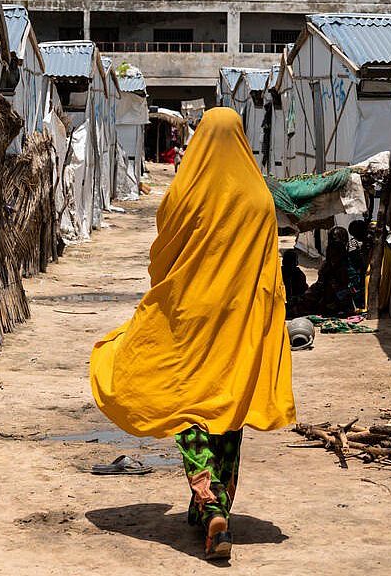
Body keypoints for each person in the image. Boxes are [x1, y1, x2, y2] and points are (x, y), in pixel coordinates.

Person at [90, 107, 296, 562]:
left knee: (188, 404)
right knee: (228, 408)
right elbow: (269, 270)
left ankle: (208, 500)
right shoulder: (258, 196)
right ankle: (214, 507)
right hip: (240, 320)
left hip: (191, 314)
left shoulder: (186, 190)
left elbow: (163, 253)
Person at [297, 226, 360, 317]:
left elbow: (354, 285)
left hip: (347, 296)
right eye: (332, 240)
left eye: (336, 240)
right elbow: (320, 283)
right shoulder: (327, 264)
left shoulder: (351, 260)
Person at [281, 249, 309, 316]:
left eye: (292, 262)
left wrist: (295, 299)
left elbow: (303, 293)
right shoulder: (279, 273)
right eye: (288, 262)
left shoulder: (299, 275)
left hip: (295, 303)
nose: (290, 265)